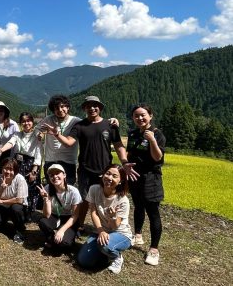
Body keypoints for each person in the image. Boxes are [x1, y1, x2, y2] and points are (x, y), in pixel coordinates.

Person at [49, 96, 137, 227]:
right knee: (84, 199)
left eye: (95, 105)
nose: (92, 108)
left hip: (106, 171)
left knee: (106, 198)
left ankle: (107, 225)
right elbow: (69, 142)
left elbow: (118, 145)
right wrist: (57, 135)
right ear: (84, 108)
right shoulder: (80, 126)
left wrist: (124, 162)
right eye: (88, 106)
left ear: (100, 108)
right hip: (85, 169)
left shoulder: (109, 125)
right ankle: (79, 225)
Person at [127, 103, 166, 266]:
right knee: (138, 206)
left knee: (153, 212)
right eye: (136, 116)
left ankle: (154, 249)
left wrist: (151, 141)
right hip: (135, 176)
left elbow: (158, 158)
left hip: (151, 178)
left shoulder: (157, 134)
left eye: (143, 115)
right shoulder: (133, 133)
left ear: (150, 116)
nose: (140, 118)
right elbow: (130, 153)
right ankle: (138, 235)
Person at [77, 164, 132, 274]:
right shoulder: (94, 189)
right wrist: (101, 231)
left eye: (115, 176)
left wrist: (113, 216)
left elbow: (115, 226)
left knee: (105, 246)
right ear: (103, 174)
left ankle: (116, 257)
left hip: (120, 233)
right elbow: (93, 212)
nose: (109, 178)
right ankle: (104, 252)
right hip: (101, 230)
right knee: (84, 261)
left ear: (120, 181)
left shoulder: (123, 200)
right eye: (108, 173)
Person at [0, 112, 42, 221]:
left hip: (31, 165)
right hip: (18, 164)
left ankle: (28, 214)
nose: (26, 123)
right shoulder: (17, 134)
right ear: (20, 123)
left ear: (32, 122)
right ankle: (17, 211)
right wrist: (2, 149)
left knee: (31, 189)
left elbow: (38, 153)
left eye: (28, 121)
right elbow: (11, 143)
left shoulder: (37, 134)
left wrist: (34, 171)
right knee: (18, 187)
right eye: (23, 121)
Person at [37, 164, 81, 249]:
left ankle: (58, 239)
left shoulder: (73, 191)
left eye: (57, 173)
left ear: (64, 175)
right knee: (43, 222)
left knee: (64, 244)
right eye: (52, 175)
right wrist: (46, 199)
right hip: (54, 216)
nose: (55, 176)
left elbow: (75, 215)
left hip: (69, 218)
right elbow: (47, 215)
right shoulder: (47, 188)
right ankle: (53, 239)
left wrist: (61, 230)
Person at [38, 95, 80, 186]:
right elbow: (37, 130)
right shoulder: (48, 119)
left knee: (68, 189)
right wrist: (40, 134)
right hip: (50, 160)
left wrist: (110, 121)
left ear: (68, 107)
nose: (60, 110)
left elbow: (91, 124)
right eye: (56, 108)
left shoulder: (76, 121)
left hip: (68, 162)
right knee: (51, 189)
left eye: (62, 106)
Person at [0, 158, 28, 244]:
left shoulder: (20, 179)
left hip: (16, 206)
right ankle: (7, 229)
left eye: (11, 169)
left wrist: (3, 201)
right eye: (5, 168)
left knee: (16, 208)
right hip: (2, 206)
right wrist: (1, 188)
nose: (7, 171)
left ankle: (19, 228)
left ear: (15, 171)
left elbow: (19, 200)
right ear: (1, 168)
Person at [0, 101, 18, 178]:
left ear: (5, 112)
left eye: (1, 110)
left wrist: (3, 149)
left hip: (8, 154)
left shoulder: (12, 124)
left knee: (8, 177)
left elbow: (15, 139)